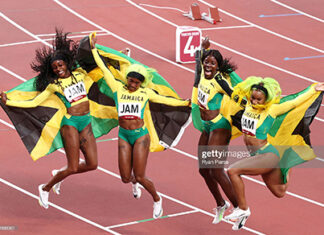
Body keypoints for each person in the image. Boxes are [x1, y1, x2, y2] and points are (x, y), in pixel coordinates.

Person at [89, 32, 190, 219]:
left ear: (142, 82)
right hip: (123, 135)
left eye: (137, 82)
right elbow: (104, 69)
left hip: (141, 135)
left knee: (142, 176)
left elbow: (166, 100)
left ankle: (157, 199)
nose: (133, 84)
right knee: (125, 178)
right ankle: (134, 183)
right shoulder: (117, 88)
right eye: (131, 80)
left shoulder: (145, 93)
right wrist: (94, 49)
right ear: (127, 78)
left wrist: (185, 103)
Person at [0, 29, 99, 209]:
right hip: (70, 125)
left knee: (93, 164)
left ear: (67, 64)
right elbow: (35, 102)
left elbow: (100, 70)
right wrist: (10, 101)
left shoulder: (81, 75)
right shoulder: (54, 85)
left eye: (60, 65)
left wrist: (117, 57)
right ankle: (45, 188)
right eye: (55, 68)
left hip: (86, 122)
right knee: (73, 167)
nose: (58, 70)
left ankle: (59, 172)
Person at [224, 77, 324, 230]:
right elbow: (236, 87)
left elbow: (294, 102)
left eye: (259, 99)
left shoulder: (272, 110)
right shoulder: (248, 106)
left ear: (267, 99)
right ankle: (287, 162)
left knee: (232, 171)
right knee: (280, 191)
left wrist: (312, 89)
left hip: (267, 155)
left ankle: (243, 209)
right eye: (253, 98)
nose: (255, 101)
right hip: (257, 157)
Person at [192, 37, 239, 224]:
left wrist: (247, 103)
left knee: (217, 170)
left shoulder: (219, 80)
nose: (208, 65)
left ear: (218, 66)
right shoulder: (202, 73)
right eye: (207, 62)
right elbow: (198, 59)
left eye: (212, 63)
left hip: (219, 125)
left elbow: (234, 94)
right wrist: (204, 48)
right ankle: (221, 204)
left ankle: (240, 208)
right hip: (207, 126)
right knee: (204, 171)